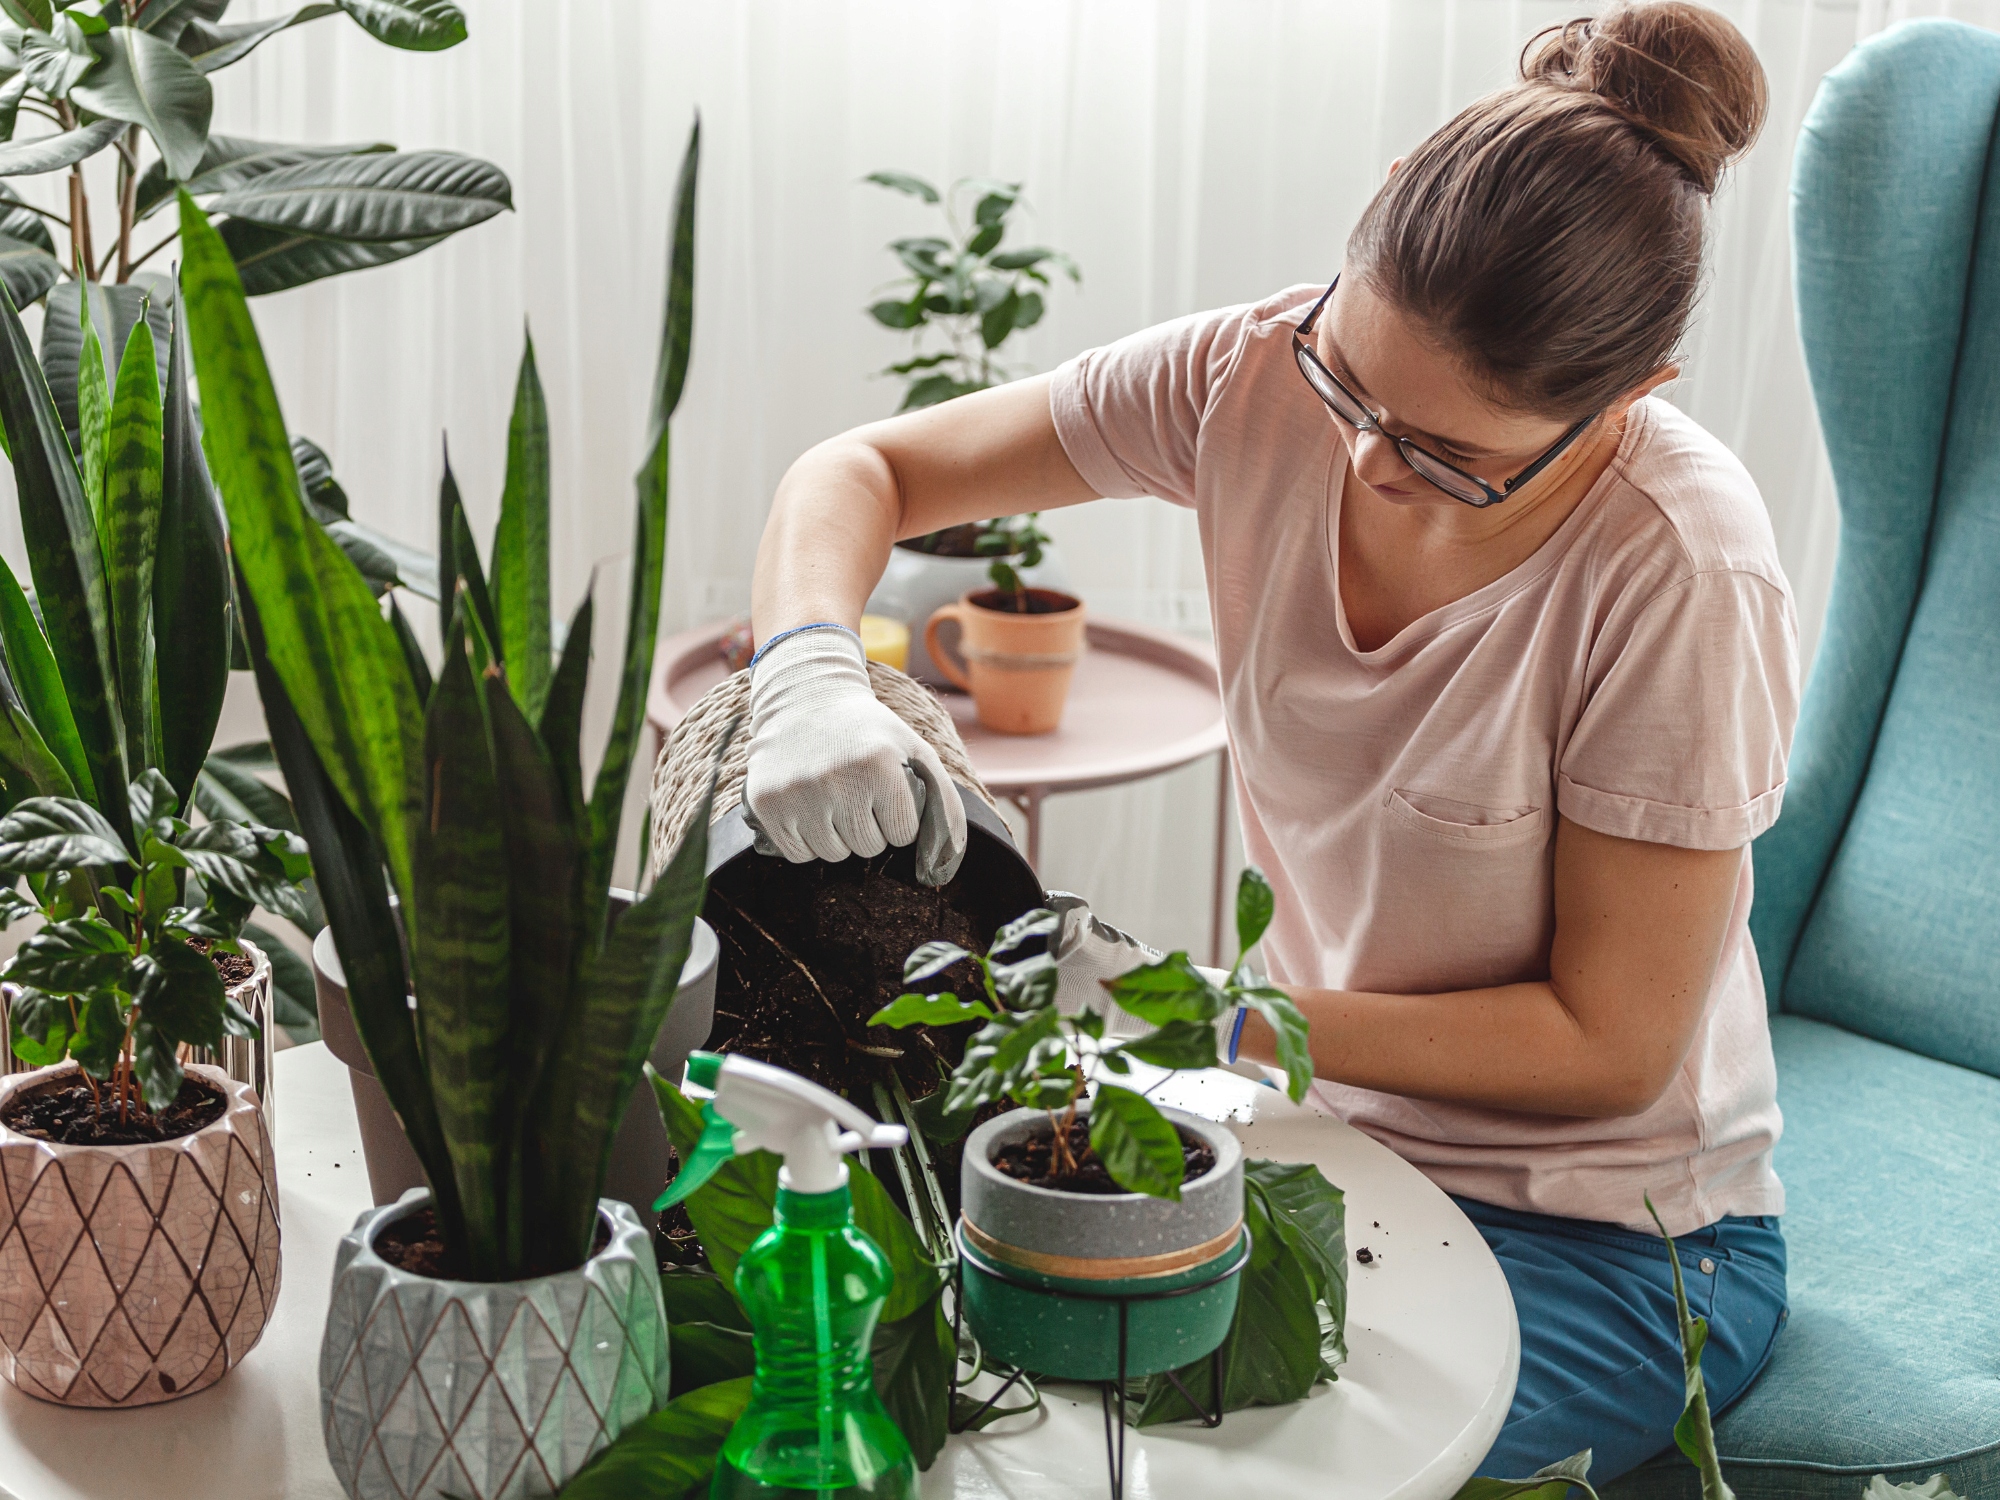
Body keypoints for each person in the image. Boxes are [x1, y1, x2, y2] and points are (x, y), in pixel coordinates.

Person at [741, 0, 1793, 1479]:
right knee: (973, 1392)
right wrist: (807, 666)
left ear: (1628, 402)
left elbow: (1610, 1048)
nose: (1362, 458)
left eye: (1448, 457)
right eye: (1350, 382)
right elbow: (864, 468)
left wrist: (1215, 1020)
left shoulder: (1680, 569)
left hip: (1617, 1243)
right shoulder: (1253, 377)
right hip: (1331, 1147)